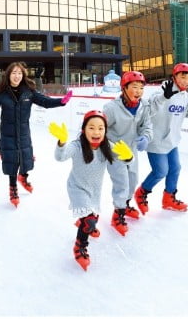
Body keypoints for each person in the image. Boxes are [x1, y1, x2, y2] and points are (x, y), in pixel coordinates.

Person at [0, 62, 73, 207]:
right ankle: (13, 188)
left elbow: (44, 101)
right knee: (11, 161)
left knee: (25, 158)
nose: (17, 76)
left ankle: (23, 177)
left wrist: (61, 102)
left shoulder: (29, 91)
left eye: (19, 73)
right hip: (8, 133)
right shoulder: (1, 93)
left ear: (23, 75)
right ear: (9, 75)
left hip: (23, 132)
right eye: (14, 73)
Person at [49, 110, 134, 271]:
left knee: (92, 215)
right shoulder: (77, 146)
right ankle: (80, 247)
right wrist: (61, 143)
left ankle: (83, 221)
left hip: (94, 190)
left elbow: (125, 159)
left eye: (101, 128)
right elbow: (60, 157)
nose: (96, 132)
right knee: (90, 221)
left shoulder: (107, 146)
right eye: (92, 127)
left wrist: (129, 157)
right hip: (77, 188)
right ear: (84, 129)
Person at [133, 62, 188, 214]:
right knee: (160, 171)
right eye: (183, 77)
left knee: (175, 168)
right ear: (174, 77)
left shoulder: (185, 96)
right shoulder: (161, 92)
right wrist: (165, 97)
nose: (186, 81)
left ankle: (169, 198)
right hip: (156, 141)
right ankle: (142, 192)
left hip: (172, 142)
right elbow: (148, 111)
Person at [103, 71, 152, 235]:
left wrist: (145, 137)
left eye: (141, 88)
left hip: (131, 152)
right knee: (121, 183)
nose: (138, 91)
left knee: (132, 181)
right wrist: (112, 147)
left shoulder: (144, 106)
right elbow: (100, 130)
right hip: (115, 152)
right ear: (124, 88)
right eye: (134, 87)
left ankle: (126, 204)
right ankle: (118, 214)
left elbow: (147, 126)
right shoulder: (111, 108)